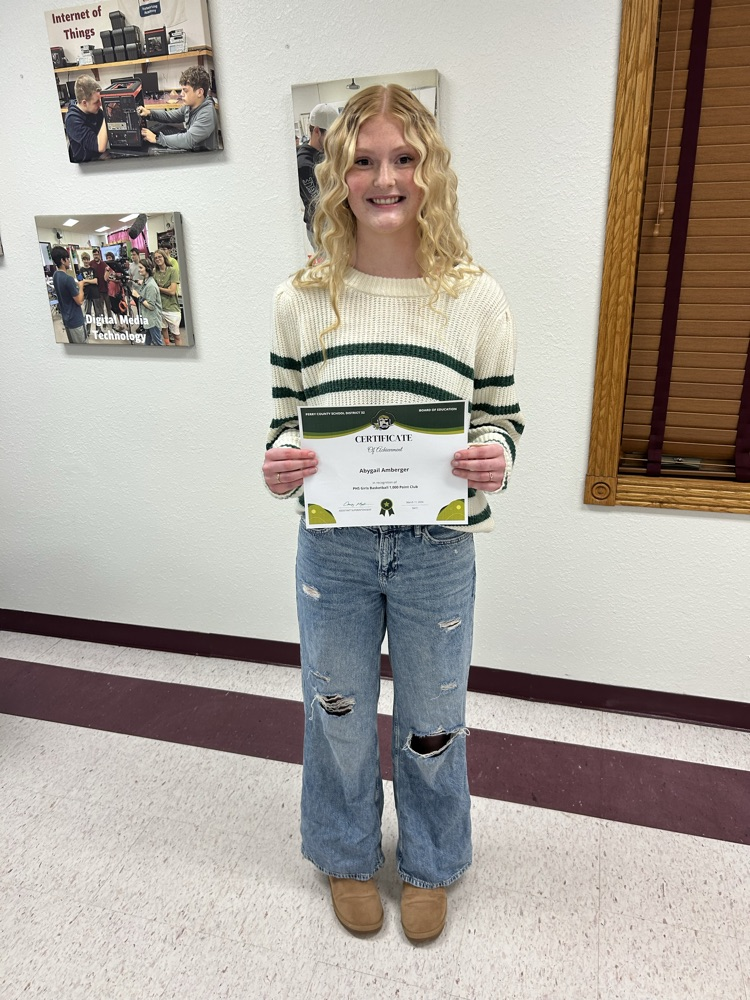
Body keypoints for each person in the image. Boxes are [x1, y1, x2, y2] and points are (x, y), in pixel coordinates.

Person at [262, 85, 524, 942]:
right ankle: (342, 854)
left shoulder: (474, 296)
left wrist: (496, 455)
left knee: (434, 714)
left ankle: (432, 864)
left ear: (429, 171)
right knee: (334, 704)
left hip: (437, 544)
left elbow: (500, 417)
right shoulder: (300, 298)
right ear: (337, 174)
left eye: (404, 158)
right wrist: (281, 466)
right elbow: (282, 424)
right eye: (364, 160)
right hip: (333, 546)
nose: (385, 178)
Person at [138, 66, 218, 152]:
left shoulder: (207, 113)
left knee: (154, 148)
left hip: (203, 156)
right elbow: (171, 116)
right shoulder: (190, 105)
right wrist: (150, 113)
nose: (181, 94)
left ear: (199, 92)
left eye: (185, 91)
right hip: (194, 146)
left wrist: (156, 138)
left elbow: (188, 140)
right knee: (159, 128)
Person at [297, 103, 339, 247]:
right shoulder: (304, 163)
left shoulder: (323, 154)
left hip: (332, 226)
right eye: (330, 134)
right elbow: (318, 203)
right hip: (320, 230)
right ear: (316, 131)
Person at [50, 245, 95, 343]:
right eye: (67, 259)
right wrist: (81, 286)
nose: (69, 261)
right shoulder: (68, 278)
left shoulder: (55, 275)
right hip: (75, 321)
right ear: (62, 260)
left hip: (66, 320)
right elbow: (79, 301)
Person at [65, 74, 108, 163]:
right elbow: (100, 146)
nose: (100, 104)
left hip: (98, 156)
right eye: (96, 102)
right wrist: (108, 116)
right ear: (84, 103)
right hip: (86, 165)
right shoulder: (72, 120)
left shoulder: (94, 110)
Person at [131, 258, 164, 345]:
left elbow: (151, 306)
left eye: (141, 268)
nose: (139, 270)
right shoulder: (146, 281)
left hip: (152, 320)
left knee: (158, 343)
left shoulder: (151, 286)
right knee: (147, 342)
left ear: (147, 268)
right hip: (147, 319)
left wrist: (138, 296)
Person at [152, 249, 181, 345]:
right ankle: (168, 349)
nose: (157, 259)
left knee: (176, 335)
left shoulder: (172, 271)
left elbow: (172, 291)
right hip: (159, 307)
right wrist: (165, 289)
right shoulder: (154, 272)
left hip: (171, 308)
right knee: (164, 331)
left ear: (164, 257)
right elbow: (153, 290)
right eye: (155, 258)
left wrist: (158, 288)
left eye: (159, 257)